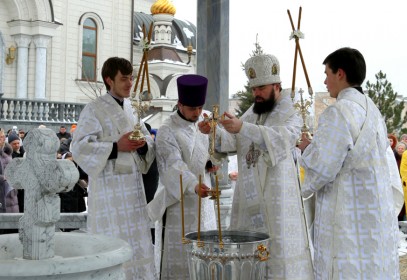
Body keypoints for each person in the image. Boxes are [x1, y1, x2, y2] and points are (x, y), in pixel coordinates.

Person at [199, 54, 313, 279]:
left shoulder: (292, 111)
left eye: (261, 88)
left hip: (277, 197)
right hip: (249, 196)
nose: (256, 94)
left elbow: (283, 139)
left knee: (278, 257)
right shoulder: (252, 112)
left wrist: (242, 127)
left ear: (276, 85)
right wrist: (214, 131)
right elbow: (235, 141)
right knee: (250, 259)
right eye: (253, 89)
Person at [298, 47, 402, 279]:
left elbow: (322, 168)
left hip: (344, 213)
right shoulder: (373, 111)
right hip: (373, 214)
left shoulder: (338, 112)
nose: (324, 81)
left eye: (327, 73)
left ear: (340, 74)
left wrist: (305, 150)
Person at [71, 57, 156, 279]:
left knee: (136, 244)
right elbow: (79, 147)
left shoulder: (132, 108)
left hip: (134, 193)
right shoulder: (94, 109)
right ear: (109, 80)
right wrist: (116, 147)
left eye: (131, 78)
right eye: (124, 79)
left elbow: (148, 140)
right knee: (111, 244)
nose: (130, 84)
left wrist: (144, 145)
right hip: (109, 193)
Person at [147, 74, 217, 280]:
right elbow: (173, 165)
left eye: (199, 108)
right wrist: (194, 185)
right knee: (180, 259)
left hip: (204, 203)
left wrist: (210, 159)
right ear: (180, 104)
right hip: (178, 203)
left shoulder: (204, 120)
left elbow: (215, 149)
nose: (197, 113)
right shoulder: (168, 130)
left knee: (206, 256)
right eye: (192, 109)